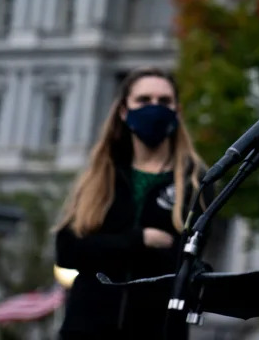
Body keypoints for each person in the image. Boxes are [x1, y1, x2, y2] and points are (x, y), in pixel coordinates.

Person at [54, 67, 208, 339]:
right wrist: (140, 239)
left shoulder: (196, 181)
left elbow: (186, 259)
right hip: (88, 328)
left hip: (158, 329)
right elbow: (68, 250)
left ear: (177, 110)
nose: (154, 108)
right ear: (124, 111)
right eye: (144, 100)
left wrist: (104, 245)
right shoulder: (100, 175)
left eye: (164, 101)